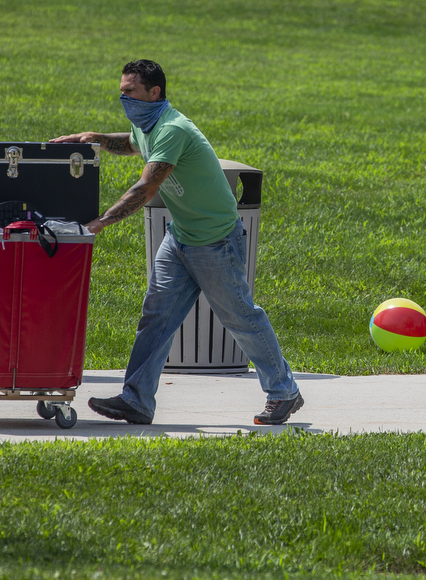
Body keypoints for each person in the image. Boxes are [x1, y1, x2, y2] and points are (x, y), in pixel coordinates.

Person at [51, 59, 303, 424]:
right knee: (156, 317)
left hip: (215, 241)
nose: (124, 99)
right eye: (122, 91)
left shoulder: (173, 129)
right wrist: (96, 140)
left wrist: (102, 222)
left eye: (130, 92)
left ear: (154, 92)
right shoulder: (147, 124)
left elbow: (147, 186)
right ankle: (136, 400)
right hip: (180, 237)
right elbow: (133, 143)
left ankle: (284, 392)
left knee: (241, 317)